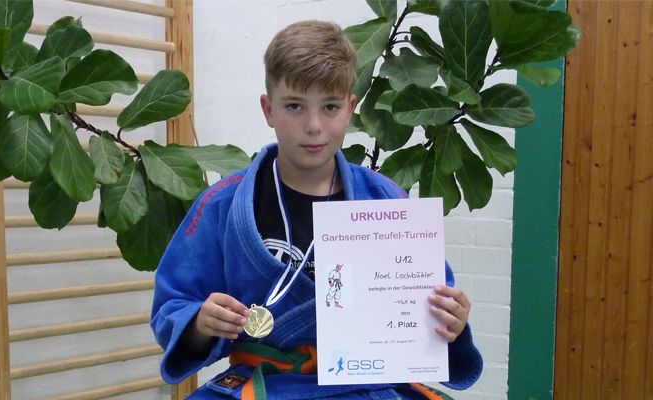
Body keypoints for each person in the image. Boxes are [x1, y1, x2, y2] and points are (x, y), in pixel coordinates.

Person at [151, 20, 482, 399]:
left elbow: (430, 306)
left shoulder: (387, 200)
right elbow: (172, 304)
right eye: (294, 106)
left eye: (330, 107)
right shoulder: (224, 204)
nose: (313, 126)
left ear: (350, 109)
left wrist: (450, 321)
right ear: (268, 108)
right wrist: (200, 323)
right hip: (264, 384)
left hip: (364, 385)